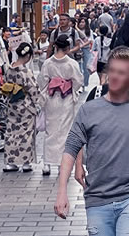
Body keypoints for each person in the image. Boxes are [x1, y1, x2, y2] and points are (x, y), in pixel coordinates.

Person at [55, 46, 129, 235]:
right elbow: (70, 149)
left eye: (121, 73)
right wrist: (61, 191)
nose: (114, 77)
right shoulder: (89, 110)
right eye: (112, 71)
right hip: (98, 198)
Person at [38, 35, 83, 176]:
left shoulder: (48, 63)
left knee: (50, 131)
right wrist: (72, 90)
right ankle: (61, 165)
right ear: (68, 48)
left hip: (52, 99)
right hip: (66, 99)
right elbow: (78, 81)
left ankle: (46, 164)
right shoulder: (71, 63)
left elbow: (42, 81)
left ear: (56, 46)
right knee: (64, 132)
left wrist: (44, 95)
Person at [3, 42, 42, 173]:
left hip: (12, 104)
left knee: (11, 133)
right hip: (25, 105)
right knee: (26, 134)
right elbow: (33, 89)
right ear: (29, 56)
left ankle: (10, 162)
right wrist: (39, 103)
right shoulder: (25, 71)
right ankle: (25, 162)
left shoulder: (9, 70)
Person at [77, 17, 95, 89]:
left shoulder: (89, 31)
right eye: (80, 22)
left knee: (86, 67)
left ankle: (85, 83)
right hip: (77, 51)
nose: (81, 24)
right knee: (78, 68)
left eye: (83, 22)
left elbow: (90, 40)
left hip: (86, 50)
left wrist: (82, 45)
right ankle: (79, 84)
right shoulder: (75, 31)